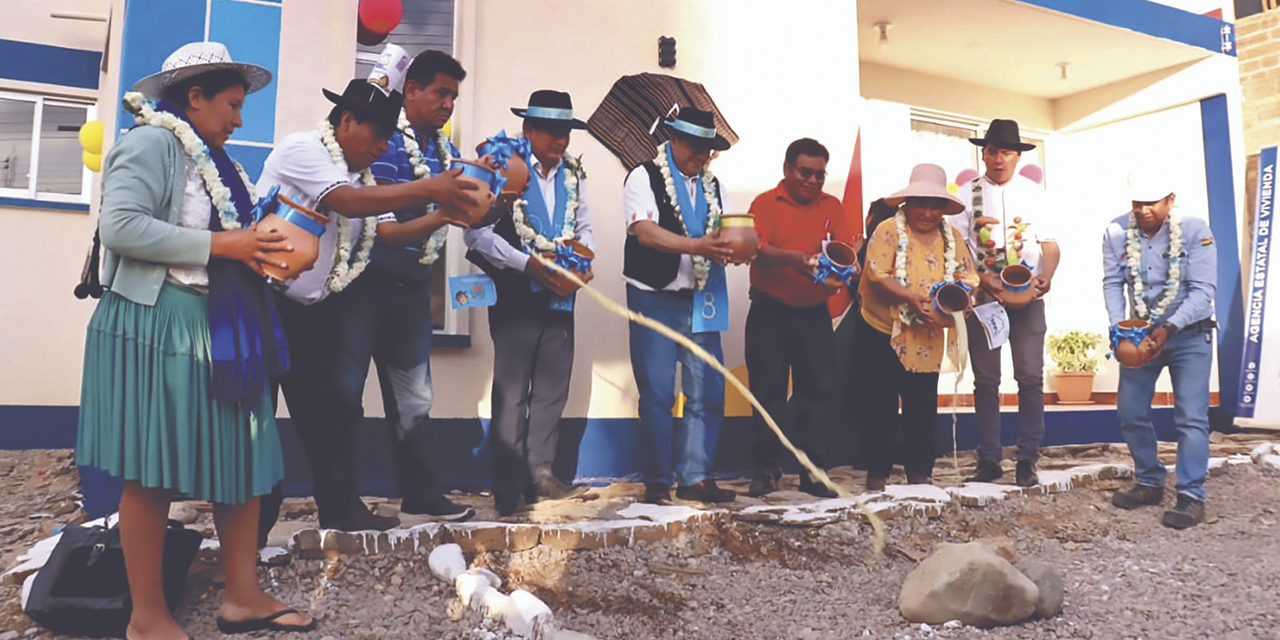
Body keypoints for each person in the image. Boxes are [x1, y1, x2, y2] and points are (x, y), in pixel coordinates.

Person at [76, 42, 315, 638]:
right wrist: (224, 246)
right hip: (157, 325)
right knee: (151, 471)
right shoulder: (152, 142)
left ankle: (243, 596)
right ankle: (147, 617)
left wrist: (271, 252)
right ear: (195, 98)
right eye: (232, 105)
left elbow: (234, 244)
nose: (239, 118)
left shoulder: (219, 163)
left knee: (242, 460)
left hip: (222, 328)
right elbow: (121, 226)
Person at [255, 76, 482, 540]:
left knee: (332, 414)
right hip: (264, 304)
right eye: (375, 133)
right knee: (256, 421)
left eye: (388, 135)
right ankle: (252, 532)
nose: (383, 145)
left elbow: (387, 232)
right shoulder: (302, 150)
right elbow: (348, 203)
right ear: (345, 120)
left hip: (314, 310)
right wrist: (429, 190)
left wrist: (446, 214)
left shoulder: (363, 175)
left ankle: (341, 509)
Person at [334, 48, 475, 523]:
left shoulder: (441, 151)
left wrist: (500, 198)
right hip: (363, 288)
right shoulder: (382, 141)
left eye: (454, 96)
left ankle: (421, 494)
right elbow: (386, 230)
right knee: (345, 396)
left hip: (412, 290)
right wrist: (443, 210)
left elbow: (464, 215)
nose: (448, 104)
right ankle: (342, 501)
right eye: (440, 92)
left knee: (416, 400)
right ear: (410, 90)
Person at [464, 90, 595, 516]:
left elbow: (585, 226)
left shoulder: (573, 176)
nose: (560, 141)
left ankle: (541, 474)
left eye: (567, 133)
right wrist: (529, 266)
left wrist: (582, 261)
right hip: (516, 293)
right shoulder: (504, 166)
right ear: (529, 130)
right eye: (553, 132)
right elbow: (476, 234)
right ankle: (506, 487)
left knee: (553, 388)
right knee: (512, 391)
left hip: (561, 295)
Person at [623, 107, 737, 504]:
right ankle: (658, 478)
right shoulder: (643, 176)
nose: (703, 155)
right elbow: (645, 232)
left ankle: (695, 477)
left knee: (708, 391)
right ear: (673, 140)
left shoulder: (714, 185)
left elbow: (724, 230)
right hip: (653, 296)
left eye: (709, 148)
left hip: (702, 299)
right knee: (656, 392)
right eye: (696, 146)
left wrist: (734, 247)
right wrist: (696, 245)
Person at [1102, 169, 1217, 529]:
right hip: (1140, 337)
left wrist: (1169, 327)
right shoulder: (1116, 231)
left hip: (1189, 334)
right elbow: (1112, 282)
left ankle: (1191, 495)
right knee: (1130, 411)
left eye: (1152, 202)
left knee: (1191, 417)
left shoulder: (1197, 230)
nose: (1143, 210)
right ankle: (1150, 480)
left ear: (1170, 200)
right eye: (1137, 203)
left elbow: (1203, 291)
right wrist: (1120, 328)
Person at [949, 119, 1059, 487]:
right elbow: (960, 247)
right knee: (986, 381)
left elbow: (1050, 245)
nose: (998, 159)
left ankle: (1027, 458)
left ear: (1017, 156)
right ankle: (990, 458)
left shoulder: (1034, 193)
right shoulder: (967, 194)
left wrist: (1048, 276)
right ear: (984, 154)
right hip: (984, 300)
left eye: (1006, 152)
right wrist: (984, 278)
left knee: (1029, 377)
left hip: (1027, 297)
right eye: (992, 151)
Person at [855, 163, 978, 491]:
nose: (926, 212)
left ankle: (920, 473)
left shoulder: (951, 237)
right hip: (882, 328)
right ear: (907, 204)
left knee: (921, 405)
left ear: (943, 209)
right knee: (879, 402)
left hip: (927, 333)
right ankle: (877, 474)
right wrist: (911, 297)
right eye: (920, 203)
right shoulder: (888, 230)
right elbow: (876, 273)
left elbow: (968, 276)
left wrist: (952, 301)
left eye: (934, 205)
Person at [744, 137, 856, 498]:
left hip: (814, 315)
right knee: (767, 394)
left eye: (820, 175)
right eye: (805, 172)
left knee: (818, 394)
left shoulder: (833, 206)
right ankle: (765, 472)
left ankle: (814, 473)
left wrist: (842, 275)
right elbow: (756, 249)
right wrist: (791, 258)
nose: (812, 181)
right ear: (787, 170)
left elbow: (845, 253)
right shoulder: (763, 203)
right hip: (770, 311)